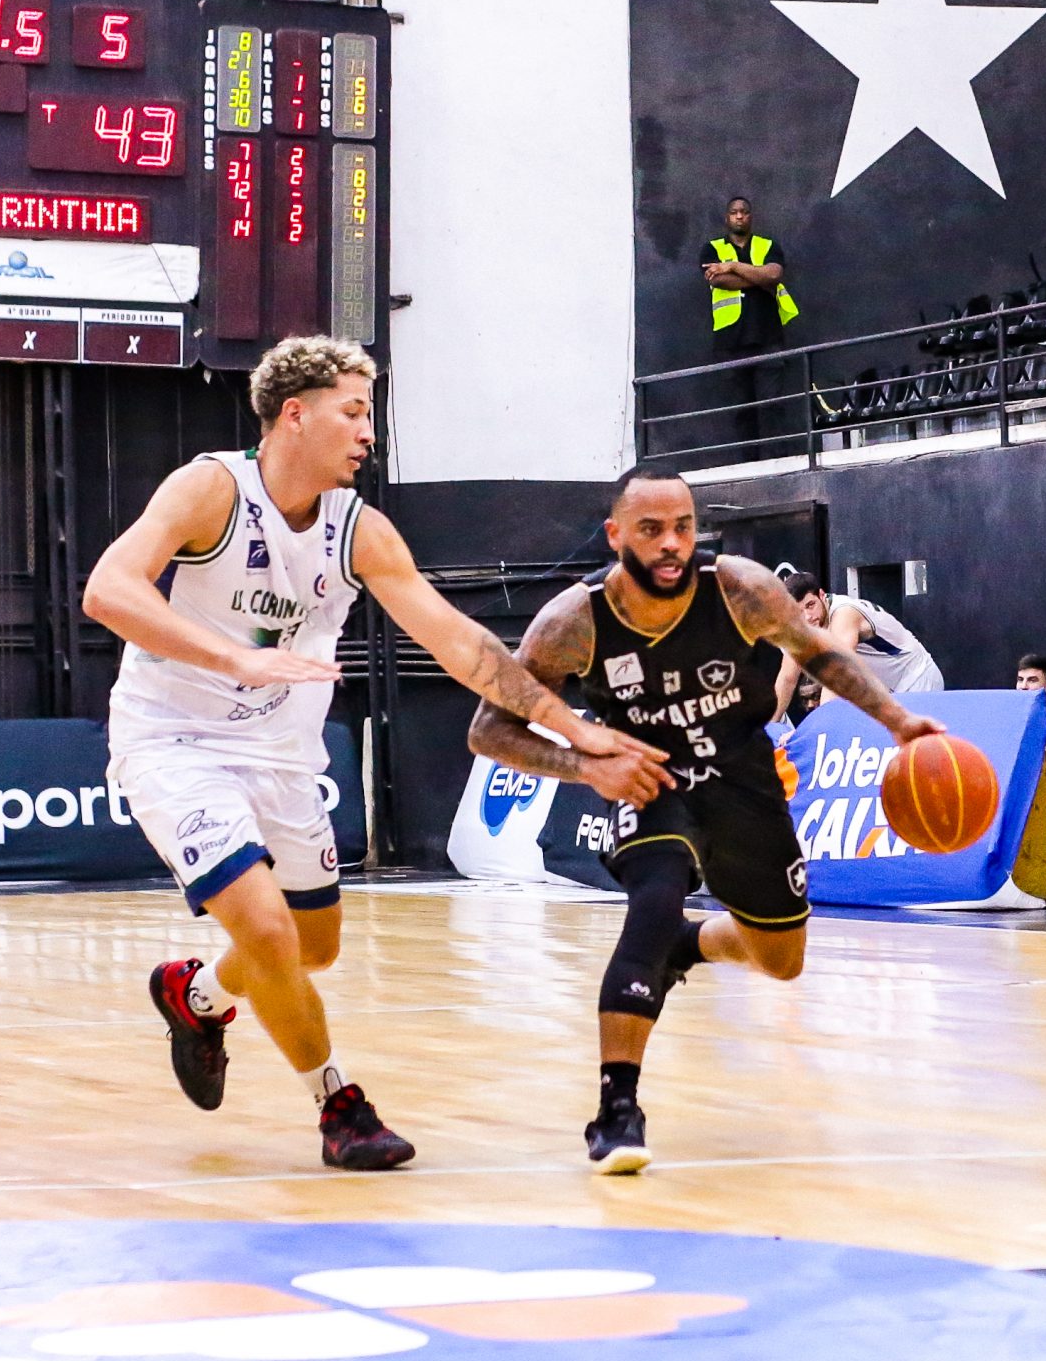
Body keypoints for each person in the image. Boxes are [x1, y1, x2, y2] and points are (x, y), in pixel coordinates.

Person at [82, 336, 666, 1172]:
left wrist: (575, 729)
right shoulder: (212, 489)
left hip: (282, 756)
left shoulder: (359, 530)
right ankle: (340, 1106)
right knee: (266, 930)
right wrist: (235, 657)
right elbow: (108, 589)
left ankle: (197, 995)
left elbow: (459, 642)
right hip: (176, 740)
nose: (368, 431)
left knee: (311, 948)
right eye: (353, 411)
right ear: (295, 414)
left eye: (370, 413)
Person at [467, 464, 941, 1175]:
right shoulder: (573, 621)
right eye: (651, 529)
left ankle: (688, 946)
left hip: (742, 781)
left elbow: (817, 653)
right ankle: (617, 1108)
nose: (670, 543)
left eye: (683, 528)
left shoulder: (740, 588)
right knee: (652, 907)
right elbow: (488, 731)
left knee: (782, 959)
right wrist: (586, 767)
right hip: (649, 782)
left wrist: (897, 719)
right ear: (615, 534)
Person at [699, 195, 800, 460]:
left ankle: (779, 462)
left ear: (750, 216)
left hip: (768, 337)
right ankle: (749, 465)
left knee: (772, 405)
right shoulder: (711, 249)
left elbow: (774, 274)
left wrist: (732, 266)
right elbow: (719, 281)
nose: (739, 216)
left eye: (744, 212)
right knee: (741, 409)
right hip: (731, 341)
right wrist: (758, 277)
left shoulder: (768, 245)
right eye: (734, 212)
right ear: (727, 217)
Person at [775, 572, 943, 716]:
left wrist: (818, 727)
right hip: (886, 695)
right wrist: (767, 728)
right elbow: (787, 678)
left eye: (811, 605)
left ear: (821, 595)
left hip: (917, 678)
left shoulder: (845, 613)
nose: (807, 617)